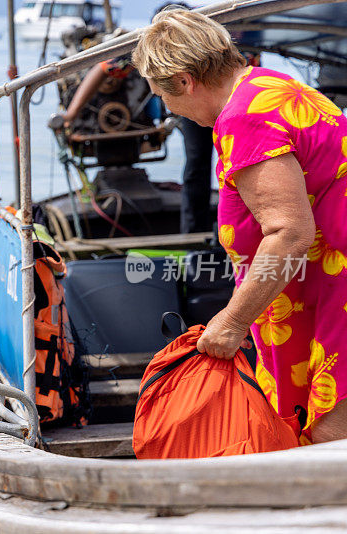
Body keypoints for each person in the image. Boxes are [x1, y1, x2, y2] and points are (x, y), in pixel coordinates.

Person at [132, 10, 347, 443]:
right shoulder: (267, 85)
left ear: (186, 80)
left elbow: (289, 232)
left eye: (163, 97)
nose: (170, 110)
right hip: (320, 283)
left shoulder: (244, 119)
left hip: (335, 289)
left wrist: (231, 321)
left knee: (329, 438)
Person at [58, 3, 216, 234]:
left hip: (217, 99)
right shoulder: (149, 48)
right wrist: (71, 114)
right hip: (189, 102)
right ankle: (195, 233)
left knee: (222, 162)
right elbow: (104, 68)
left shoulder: (209, 45)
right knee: (198, 163)